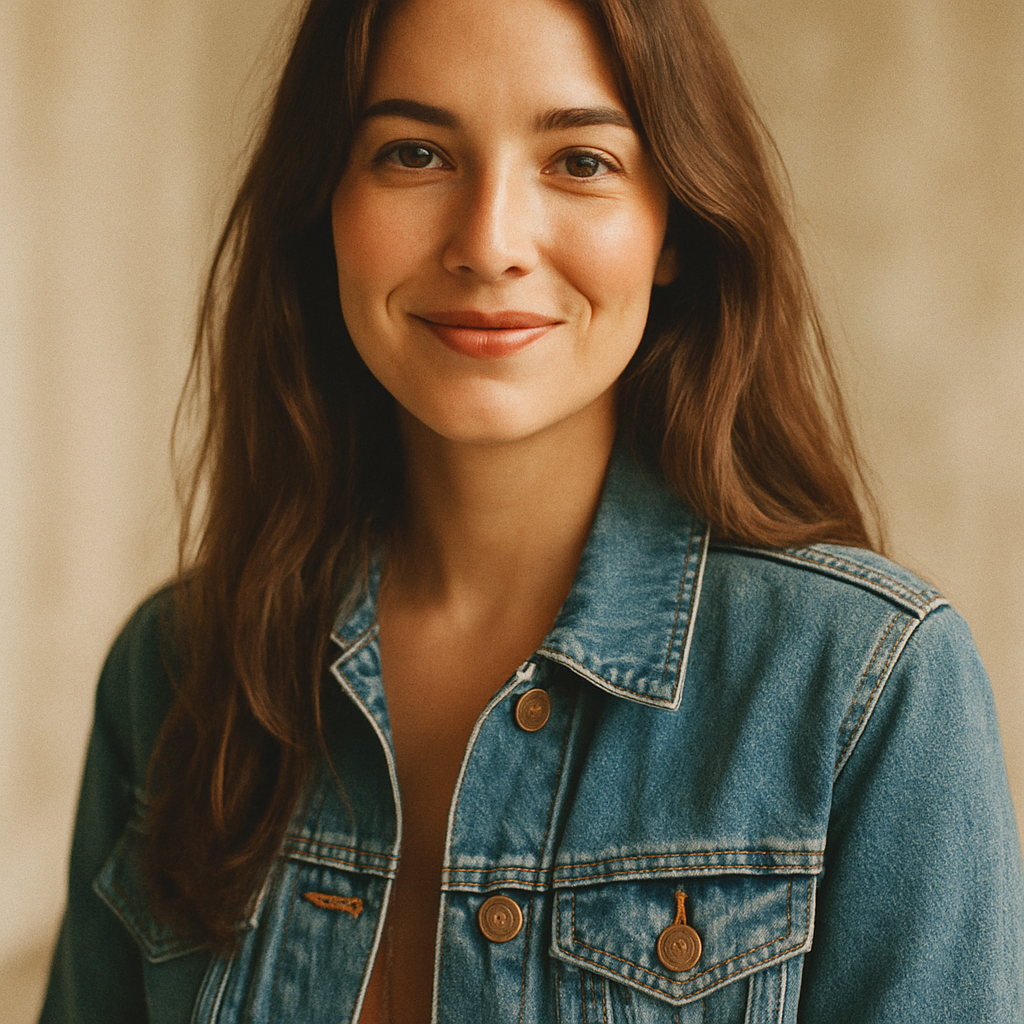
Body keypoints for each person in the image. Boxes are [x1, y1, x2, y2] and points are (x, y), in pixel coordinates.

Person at [40, 0, 1023, 1020]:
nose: (490, 242)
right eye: (414, 153)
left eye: (580, 161)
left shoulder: (864, 689)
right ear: (322, 203)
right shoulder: (178, 670)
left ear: (673, 224)